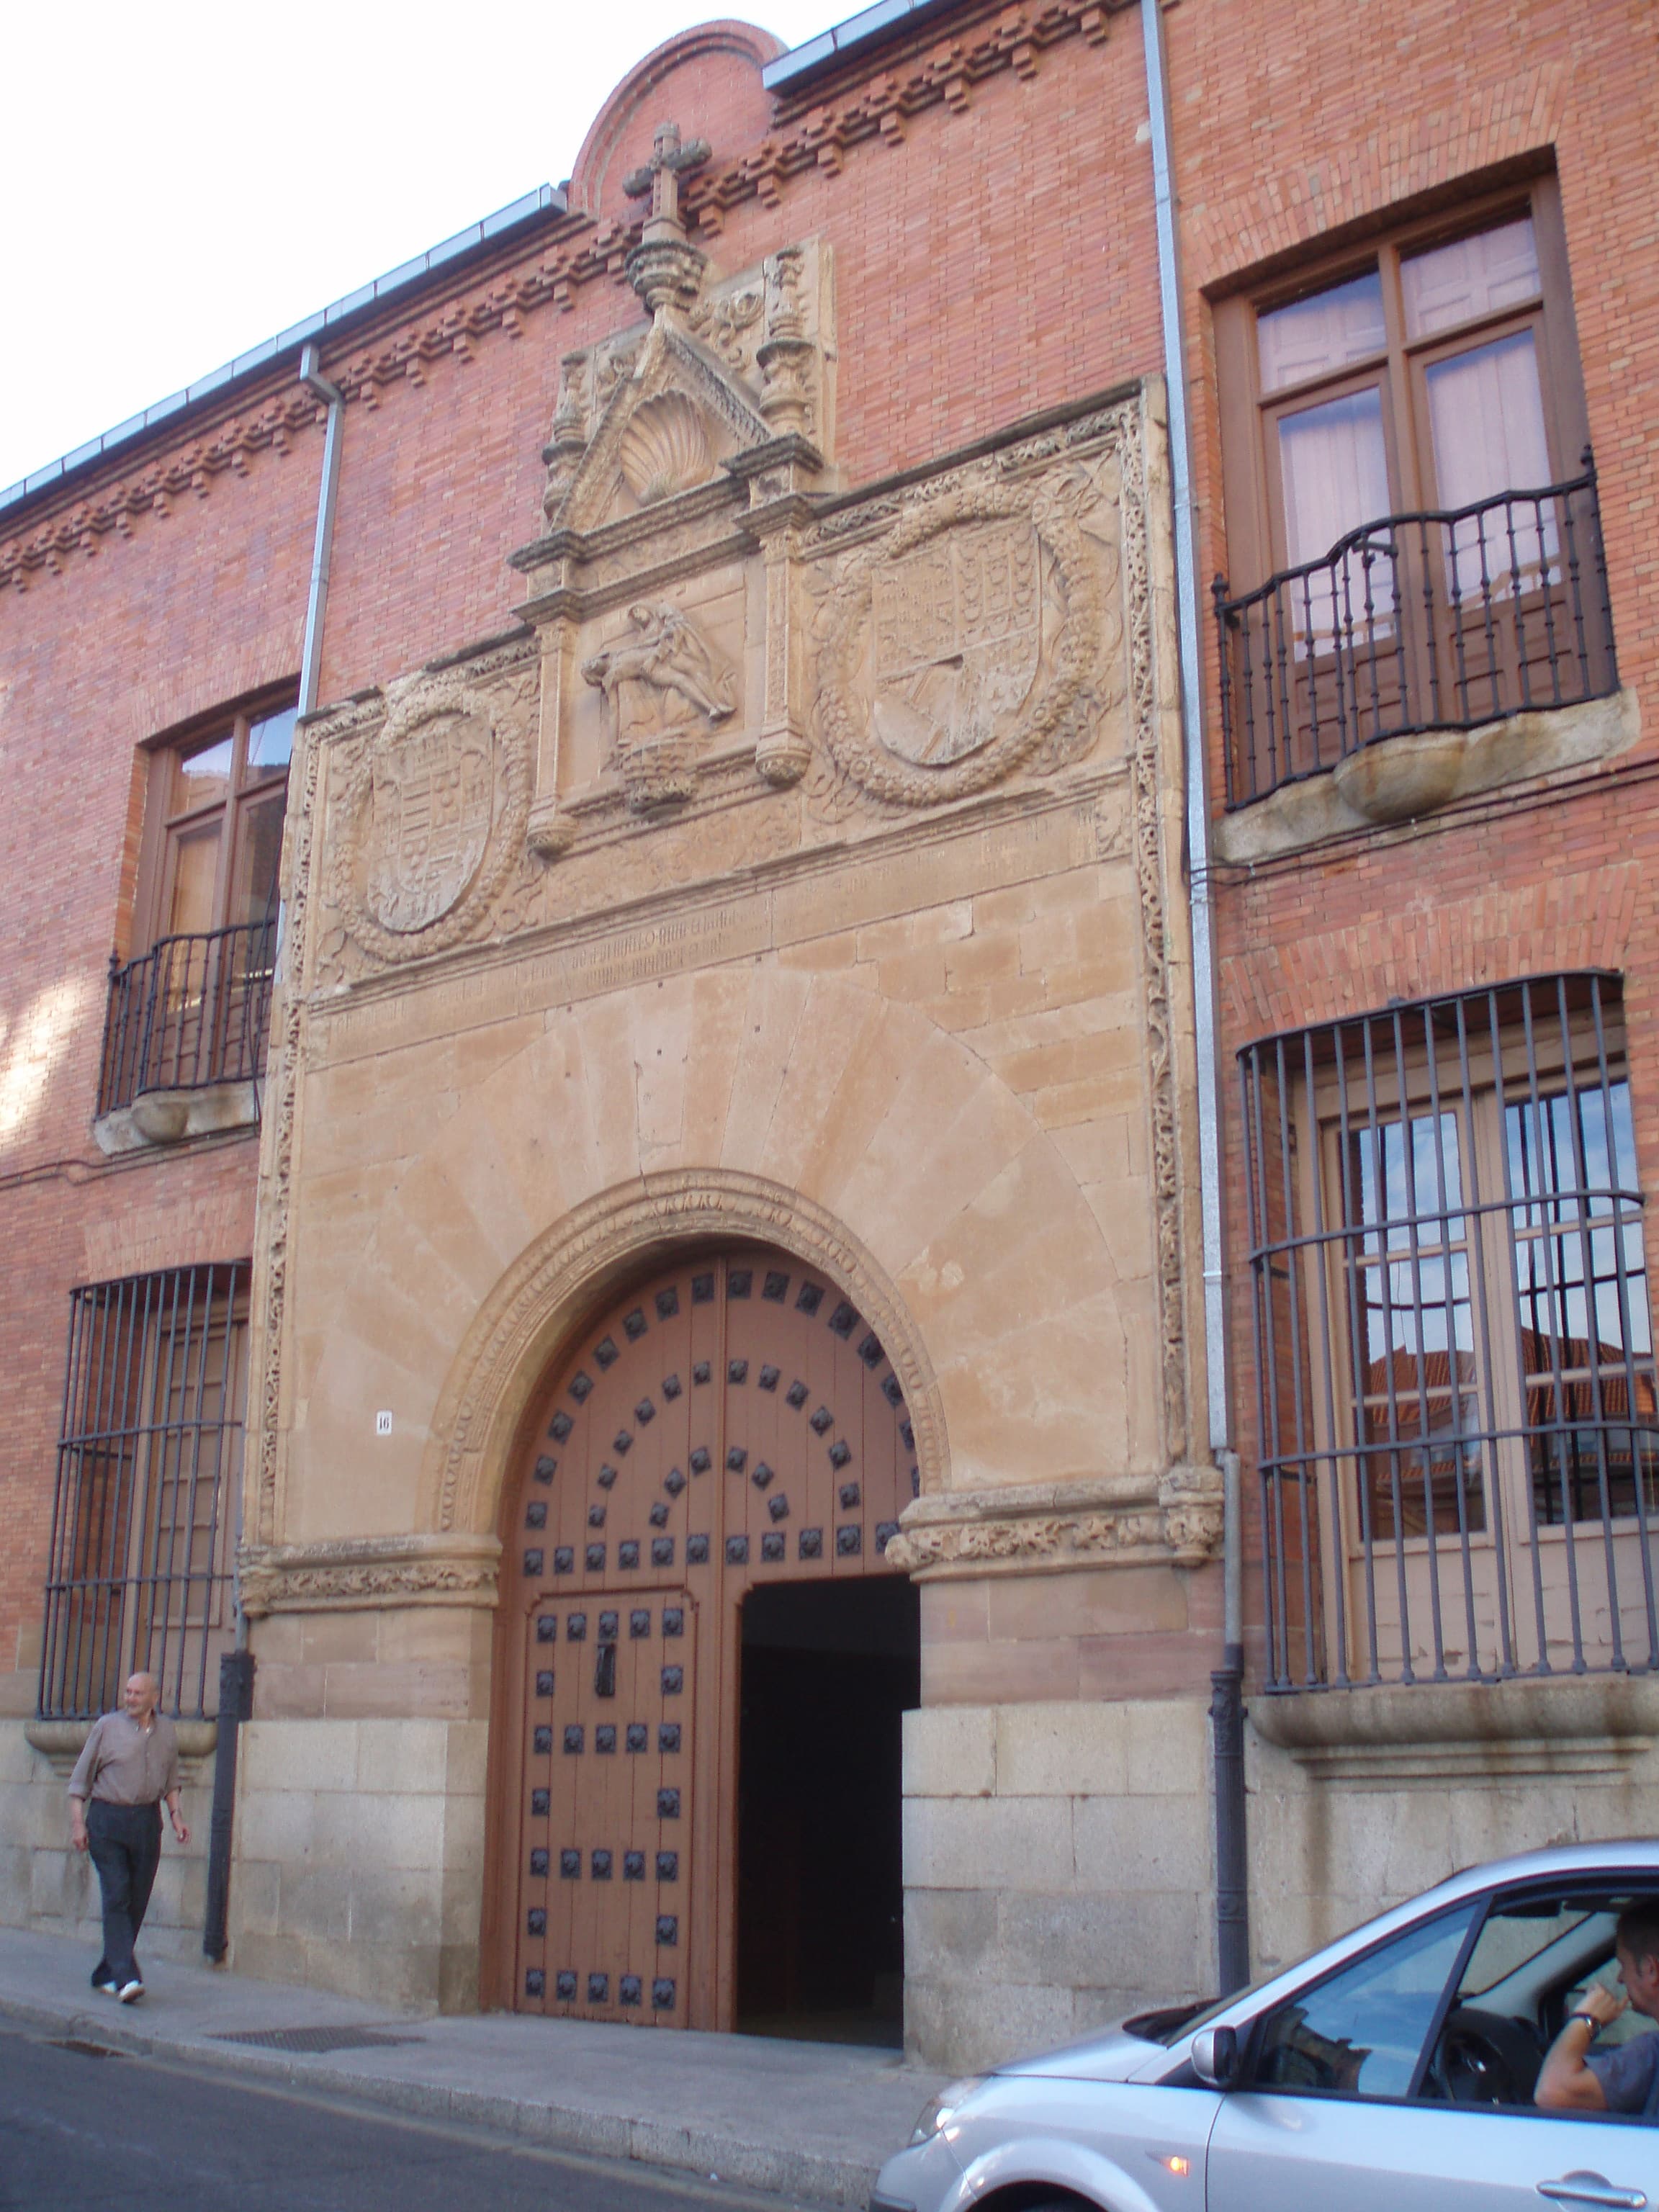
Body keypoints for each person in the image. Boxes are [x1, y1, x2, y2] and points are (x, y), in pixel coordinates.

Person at [66, 1672, 189, 2002]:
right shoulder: (107, 1727)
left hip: (147, 1821)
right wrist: (79, 1824)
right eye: (128, 1692)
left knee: (136, 1899)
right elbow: (79, 1782)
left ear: (154, 1698)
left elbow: (171, 1779)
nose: (130, 1698)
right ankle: (126, 1977)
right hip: (108, 1819)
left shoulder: (167, 1732)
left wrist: (177, 1817)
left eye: (138, 1693)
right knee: (117, 1893)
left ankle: (106, 1972)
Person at [1535, 1901, 1659, 2121]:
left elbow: (1550, 2092)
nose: (1620, 1978)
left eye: (1623, 1964)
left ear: (1650, 1969)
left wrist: (1586, 2019)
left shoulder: (1651, 2053)